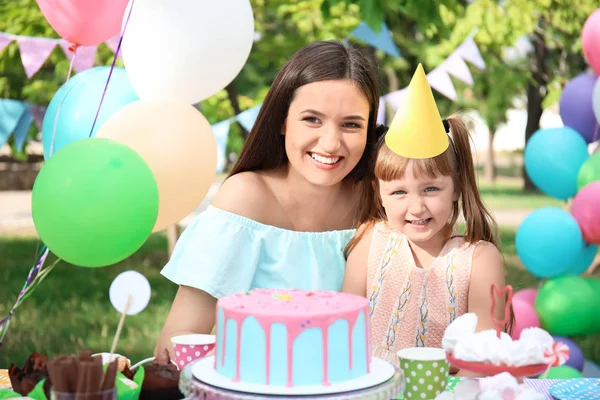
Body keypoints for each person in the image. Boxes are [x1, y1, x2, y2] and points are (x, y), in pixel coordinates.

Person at [155, 40, 382, 356]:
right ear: (282, 120)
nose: (331, 143)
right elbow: (177, 339)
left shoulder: (378, 202)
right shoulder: (245, 199)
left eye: (351, 125)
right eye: (312, 119)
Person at [342, 64, 509, 374]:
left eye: (431, 188)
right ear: (379, 192)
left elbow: (484, 357)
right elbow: (344, 331)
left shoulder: (479, 259)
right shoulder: (369, 243)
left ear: (457, 186)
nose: (416, 207)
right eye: (399, 193)